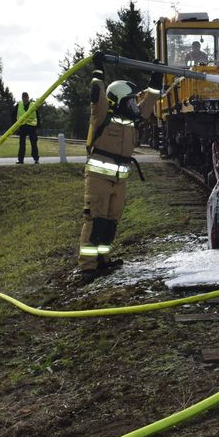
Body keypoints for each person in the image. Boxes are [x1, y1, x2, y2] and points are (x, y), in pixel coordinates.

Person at [78, 51, 162, 283]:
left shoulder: (133, 119)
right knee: (95, 221)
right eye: (131, 100)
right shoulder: (102, 115)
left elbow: (151, 100)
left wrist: (157, 76)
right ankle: (87, 267)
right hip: (98, 179)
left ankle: (103, 260)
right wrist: (98, 69)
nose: (135, 104)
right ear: (118, 100)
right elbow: (97, 94)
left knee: (110, 223)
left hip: (120, 180)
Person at [12, 92, 41, 164]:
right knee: (22, 144)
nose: (25, 99)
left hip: (32, 127)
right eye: (23, 97)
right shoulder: (19, 105)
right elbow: (13, 115)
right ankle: (20, 159)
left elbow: (38, 116)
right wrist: (15, 126)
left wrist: (38, 127)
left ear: (28, 97)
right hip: (22, 127)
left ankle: (36, 159)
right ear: (22, 98)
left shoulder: (33, 105)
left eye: (26, 97)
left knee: (34, 143)